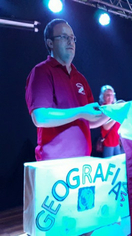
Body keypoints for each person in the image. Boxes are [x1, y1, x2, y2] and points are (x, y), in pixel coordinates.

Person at [25, 19, 108, 161]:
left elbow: (90, 120)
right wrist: (80, 111)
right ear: (50, 43)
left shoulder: (80, 78)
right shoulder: (42, 71)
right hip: (54, 165)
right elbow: (40, 117)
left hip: (83, 163)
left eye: (72, 38)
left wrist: (115, 113)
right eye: (64, 37)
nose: (71, 42)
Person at [99, 85, 125, 157]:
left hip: (116, 142)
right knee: (108, 165)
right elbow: (106, 127)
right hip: (108, 142)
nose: (110, 97)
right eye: (107, 95)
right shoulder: (103, 109)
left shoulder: (114, 108)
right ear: (103, 96)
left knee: (118, 163)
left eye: (111, 95)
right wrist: (116, 116)